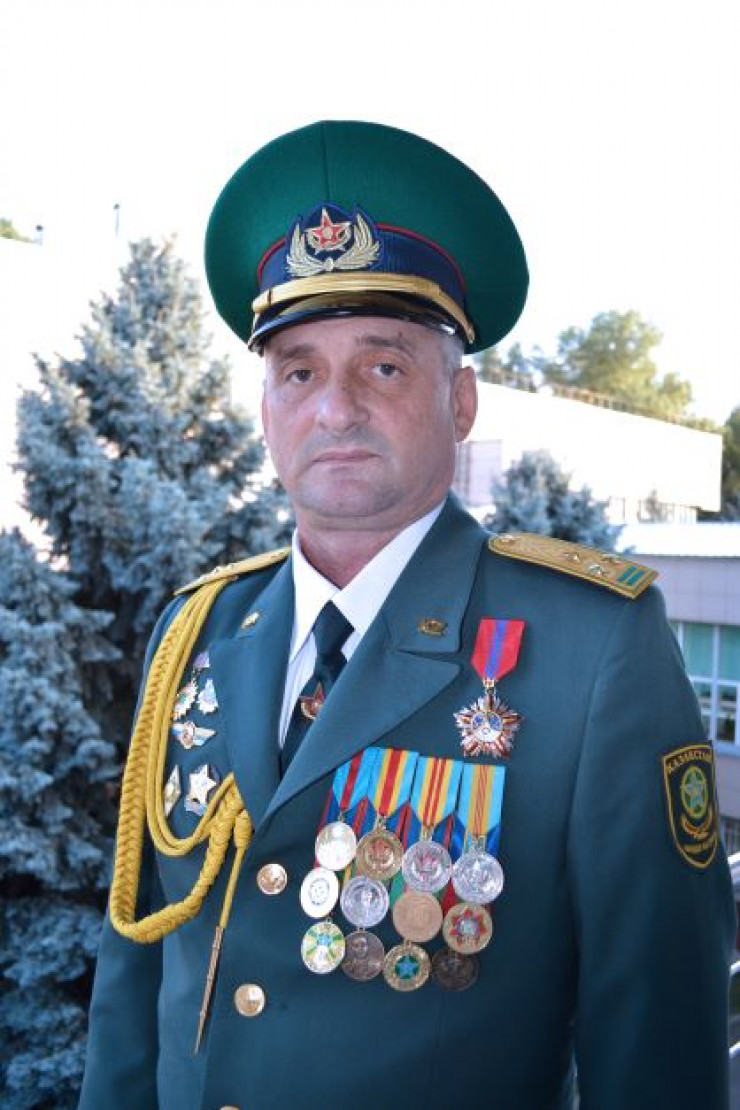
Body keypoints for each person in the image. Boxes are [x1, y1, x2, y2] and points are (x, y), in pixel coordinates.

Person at [80, 121, 735, 1110]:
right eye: (298, 371)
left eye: (382, 366)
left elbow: (658, 1044)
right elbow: (134, 981)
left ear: (460, 402)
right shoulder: (196, 635)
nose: (333, 408)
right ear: (266, 409)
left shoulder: (593, 647)